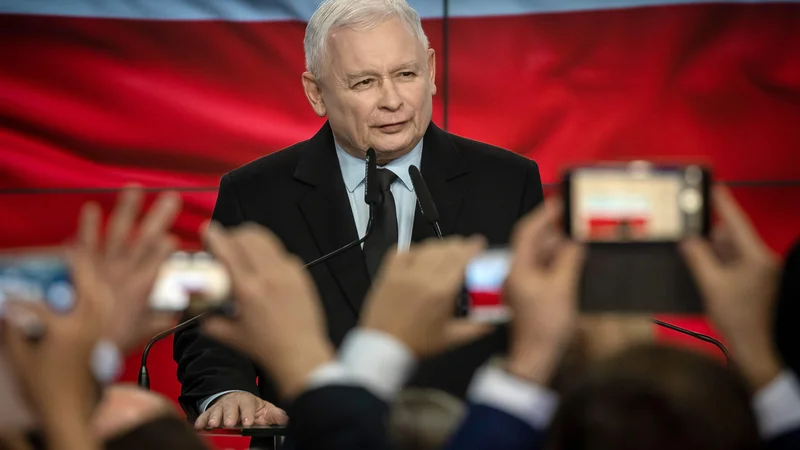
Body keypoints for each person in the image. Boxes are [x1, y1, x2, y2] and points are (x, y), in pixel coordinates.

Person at [173, 0, 544, 437]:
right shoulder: (255, 193)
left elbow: (539, 324)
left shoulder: (507, 182)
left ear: (431, 69)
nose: (392, 100)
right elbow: (206, 323)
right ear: (316, 92)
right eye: (365, 81)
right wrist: (227, 391)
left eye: (406, 74)